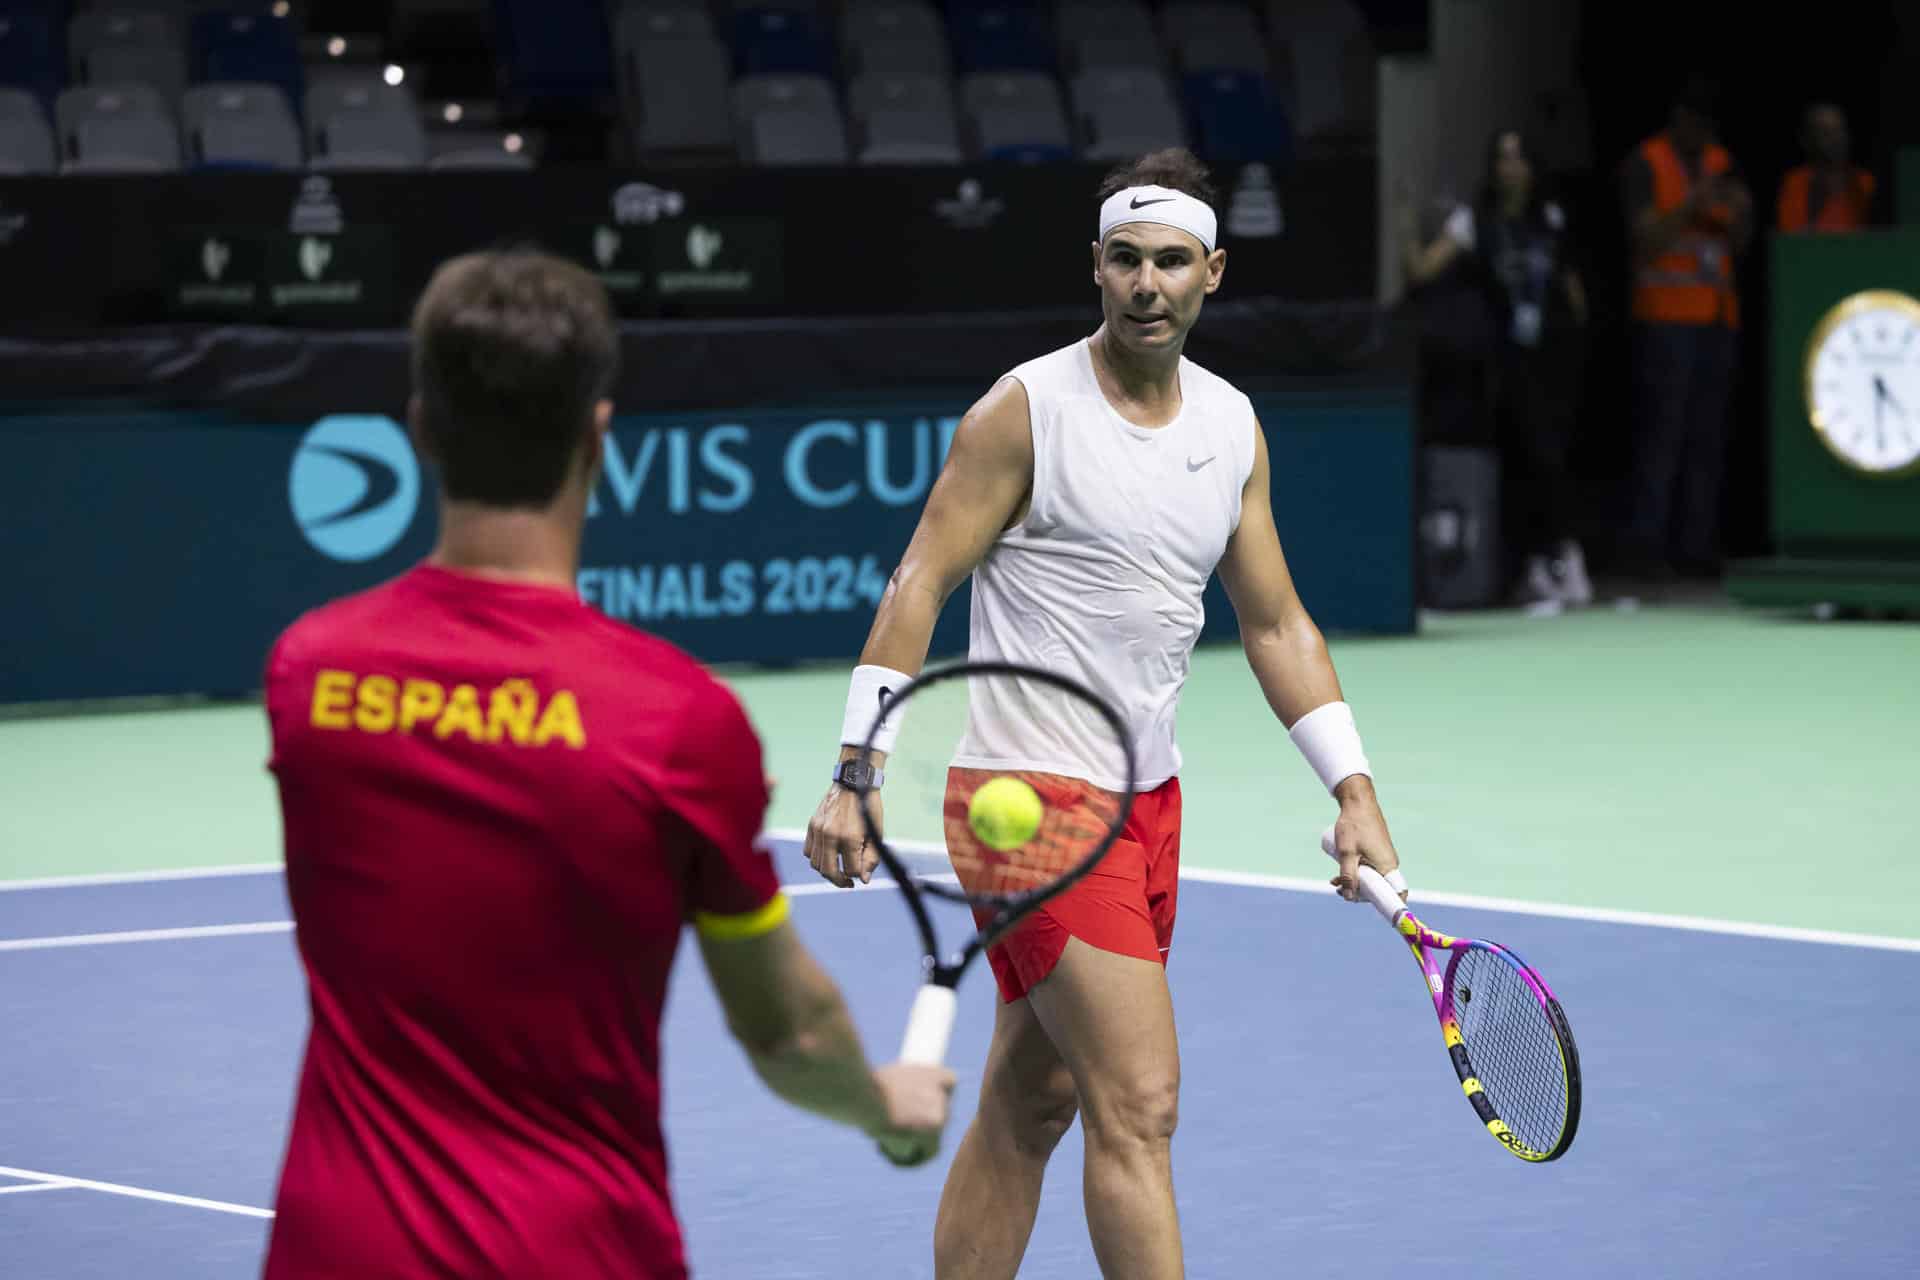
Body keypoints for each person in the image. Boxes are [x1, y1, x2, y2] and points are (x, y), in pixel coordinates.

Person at [259, 250, 954, 1280]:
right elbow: (787, 1031)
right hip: (577, 1248)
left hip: (333, 1246)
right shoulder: (678, 721)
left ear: (419, 429)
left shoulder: (309, 672)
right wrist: (886, 1103)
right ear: (598, 434)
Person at [802, 149, 1408, 1280]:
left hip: (1147, 799)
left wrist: (1354, 787)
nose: (1146, 283)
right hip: (1027, 802)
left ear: (1212, 272)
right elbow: (919, 581)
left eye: (1172, 261)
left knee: (1034, 1098)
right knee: (1140, 1101)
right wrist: (856, 769)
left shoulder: (1230, 427)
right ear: (1095, 266)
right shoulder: (1022, 412)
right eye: (1125, 259)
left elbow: (1276, 625)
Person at [1401, 128, 1594, 608]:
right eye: (1502, 159)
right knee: (1520, 461)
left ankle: (1564, 561)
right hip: (1501, 365)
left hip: (1551, 358)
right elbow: (1422, 270)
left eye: (1518, 158)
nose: (1509, 168)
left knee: (1554, 456)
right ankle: (1529, 568)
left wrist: (1574, 338)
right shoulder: (1474, 221)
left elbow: (1572, 290)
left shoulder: (1550, 219)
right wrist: (1403, 222)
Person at [1619, 74, 1753, 580]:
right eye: (1694, 122)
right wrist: (1693, 205)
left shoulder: (1723, 163)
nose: (1702, 134)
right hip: (1665, 318)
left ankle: (1696, 548)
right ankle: (1646, 548)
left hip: (1718, 318)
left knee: (1708, 440)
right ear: (1678, 120)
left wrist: (1738, 213)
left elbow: (1741, 238)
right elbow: (1645, 240)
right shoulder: (1646, 163)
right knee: (1661, 439)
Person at [1776, 102, 1877, 233]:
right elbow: (1791, 241)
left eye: (1840, 130)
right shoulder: (1795, 183)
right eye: (1825, 132)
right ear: (1806, 140)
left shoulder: (1865, 181)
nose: (1837, 138)